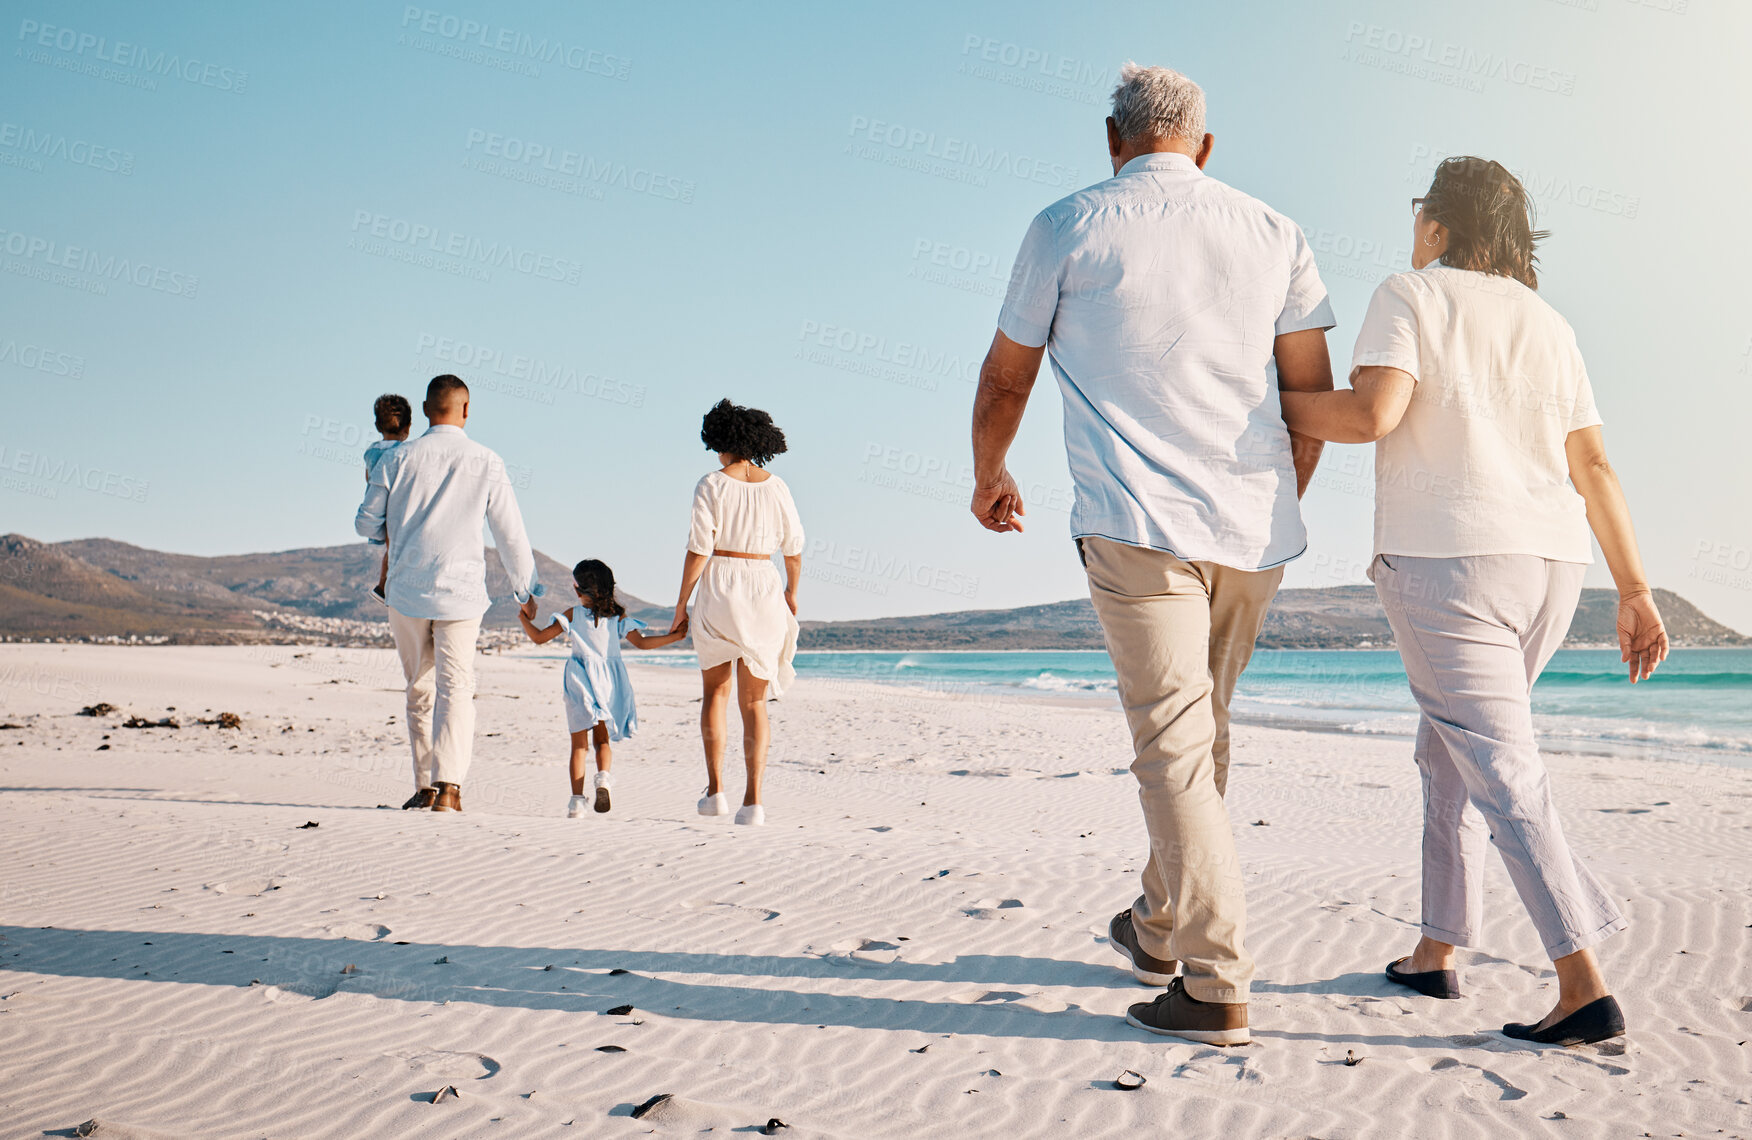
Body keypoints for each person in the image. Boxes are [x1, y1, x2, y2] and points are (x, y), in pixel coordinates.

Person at [969, 63, 1337, 1045]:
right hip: (1254, 530)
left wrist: (989, 474)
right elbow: (1310, 397)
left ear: (1112, 138)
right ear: (1203, 147)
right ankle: (1161, 924)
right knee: (1198, 732)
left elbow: (1009, 376)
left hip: (1136, 526)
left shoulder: (1066, 225)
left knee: (1175, 742)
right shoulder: (1276, 232)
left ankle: (1214, 981)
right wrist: (1280, 499)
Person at [1280, 156, 1664, 1048]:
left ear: (1442, 224)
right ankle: (1436, 948)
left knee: (1500, 768)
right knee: (1450, 753)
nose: (1414, 226)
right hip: (1552, 570)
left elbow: (1373, 413)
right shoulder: (1551, 323)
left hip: (1447, 562)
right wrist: (1635, 589)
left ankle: (1583, 986)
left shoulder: (1412, 291)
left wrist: (1275, 403)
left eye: (1421, 211)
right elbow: (1594, 466)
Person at [354, 374, 543, 813]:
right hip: (461, 595)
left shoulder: (396, 459)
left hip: (406, 592)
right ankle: (450, 787)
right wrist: (525, 590)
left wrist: (397, 525)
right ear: (466, 409)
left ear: (424, 409)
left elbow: (365, 524)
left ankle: (423, 787)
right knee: (456, 686)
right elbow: (510, 533)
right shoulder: (487, 461)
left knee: (418, 688)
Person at [671, 399, 805, 827]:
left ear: (720, 439)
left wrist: (681, 604)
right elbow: (795, 549)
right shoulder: (777, 486)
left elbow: (698, 551)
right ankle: (754, 802)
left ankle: (715, 792)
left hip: (721, 581)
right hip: (763, 582)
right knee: (755, 702)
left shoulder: (711, 484)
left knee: (716, 693)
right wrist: (791, 592)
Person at [516, 559, 690, 817]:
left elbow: (540, 637)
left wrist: (523, 617)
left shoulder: (574, 614)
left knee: (578, 745)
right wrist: (675, 637)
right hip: (609, 682)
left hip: (580, 681)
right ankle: (604, 780)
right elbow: (642, 644)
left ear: (578, 590)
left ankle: (576, 802)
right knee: (602, 738)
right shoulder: (617, 616)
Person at [363, 394, 412, 605]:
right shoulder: (405, 453)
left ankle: (385, 586)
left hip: (378, 507)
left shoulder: (371, 451)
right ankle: (384, 586)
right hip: (397, 507)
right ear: (408, 426)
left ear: (376, 425)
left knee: (391, 549)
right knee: (394, 551)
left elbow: (368, 478)